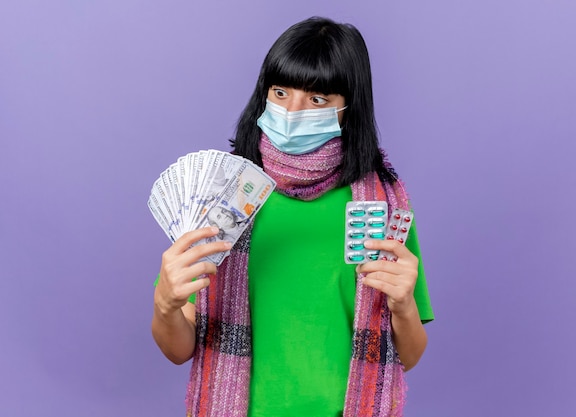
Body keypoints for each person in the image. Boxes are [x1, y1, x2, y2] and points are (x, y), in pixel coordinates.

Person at [152, 16, 434, 417]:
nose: (292, 110)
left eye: (317, 99)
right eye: (280, 91)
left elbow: (408, 356)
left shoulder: (382, 204)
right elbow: (178, 350)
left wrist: (404, 305)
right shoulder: (223, 194)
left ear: (348, 108)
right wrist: (165, 303)